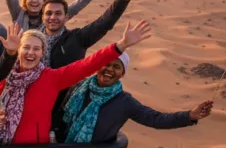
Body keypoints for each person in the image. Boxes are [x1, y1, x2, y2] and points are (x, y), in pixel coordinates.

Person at [0, 21, 153, 145]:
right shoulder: (2, 75)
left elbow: (87, 65)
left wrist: (121, 45)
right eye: (26, 47)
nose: (30, 52)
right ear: (19, 49)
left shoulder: (52, 78)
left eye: (36, 49)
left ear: (43, 53)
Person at [42, 0, 146, 139]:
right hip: (34, 105)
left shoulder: (78, 38)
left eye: (58, 13)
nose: (53, 17)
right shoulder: (31, 41)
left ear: (66, 17)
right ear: (43, 17)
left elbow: (104, 23)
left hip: (64, 109)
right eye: (49, 13)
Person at [62, 53, 214, 143]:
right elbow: (59, 115)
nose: (109, 69)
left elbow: (156, 119)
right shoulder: (79, 87)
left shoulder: (124, 102)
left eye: (116, 67)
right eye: (106, 64)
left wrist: (190, 116)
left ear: (122, 73)